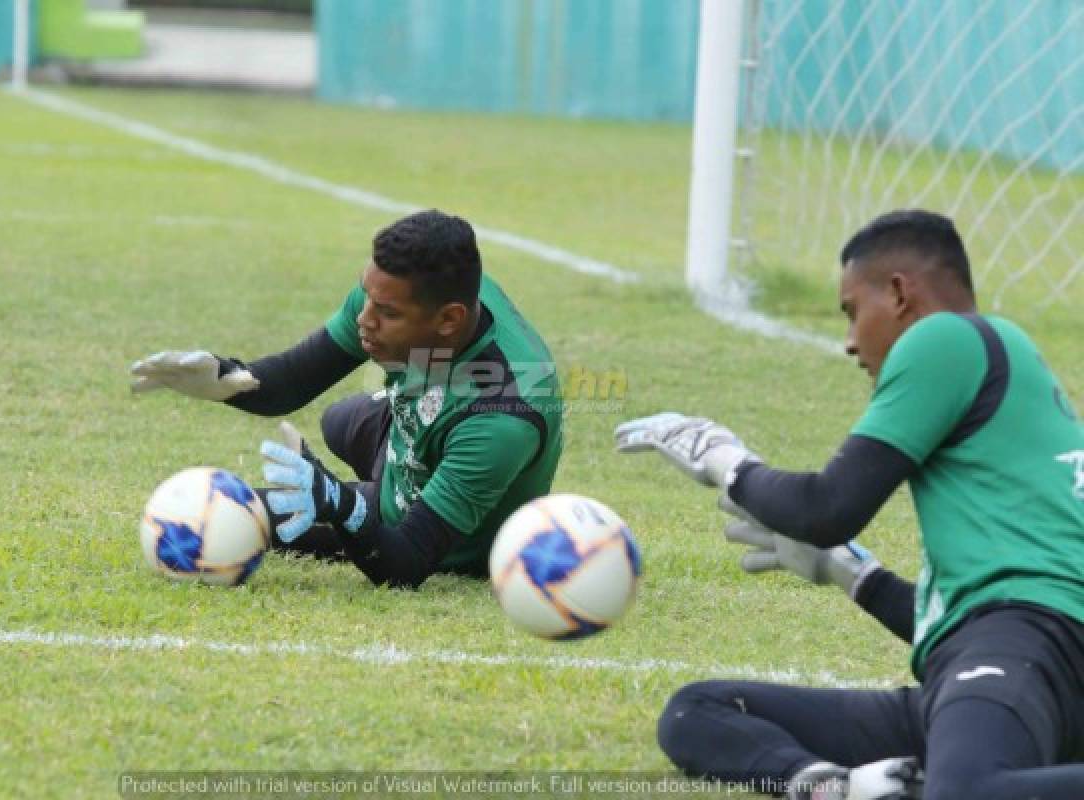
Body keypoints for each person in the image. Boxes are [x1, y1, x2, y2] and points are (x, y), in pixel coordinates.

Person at [616, 210, 1084, 800]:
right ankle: (837, 788)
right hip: (1008, 664)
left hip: (1027, 649)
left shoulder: (946, 337)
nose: (849, 341)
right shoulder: (998, 368)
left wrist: (724, 462)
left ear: (898, 293)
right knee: (699, 710)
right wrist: (857, 576)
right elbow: (970, 621)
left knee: (966, 791)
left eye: (850, 310)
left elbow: (827, 507)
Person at [131, 209, 563, 589]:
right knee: (339, 419)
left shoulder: (501, 418)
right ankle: (382, 483)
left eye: (386, 313)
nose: (364, 319)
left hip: (449, 544)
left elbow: (406, 564)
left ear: (450, 319)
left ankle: (372, 497)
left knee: (220, 523)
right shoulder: (407, 291)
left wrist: (344, 507)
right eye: (367, 296)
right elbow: (296, 379)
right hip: (416, 449)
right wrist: (230, 380)